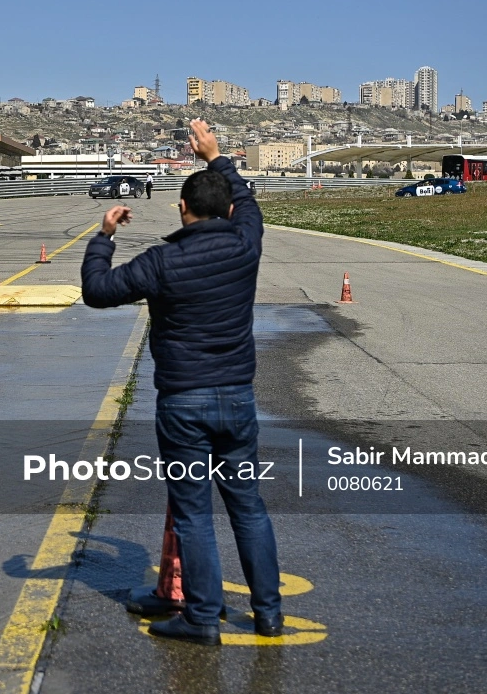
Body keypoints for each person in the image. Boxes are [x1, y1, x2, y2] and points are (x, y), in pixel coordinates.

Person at [80, 118, 282, 646]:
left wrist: (103, 237)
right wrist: (215, 156)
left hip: (183, 401)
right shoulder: (245, 244)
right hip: (237, 396)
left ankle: (201, 616)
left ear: (182, 210)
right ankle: (268, 613)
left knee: (193, 513)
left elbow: (98, 291)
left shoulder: (162, 261)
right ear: (229, 212)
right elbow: (248, 202)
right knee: (249, 507)